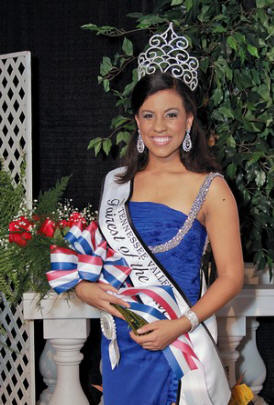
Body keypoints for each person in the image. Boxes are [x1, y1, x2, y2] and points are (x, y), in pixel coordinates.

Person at [66, 24, 244, 405]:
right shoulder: (117, 182)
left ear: (189, 120)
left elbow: (231, 278)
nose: (159, 127)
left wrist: (180, 325)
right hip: (120, 346)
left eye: (170, 115)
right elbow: (96, 261)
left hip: (176, 343)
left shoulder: (212, 188)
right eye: (148, 116)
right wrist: (83, 288)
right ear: (136, 122)